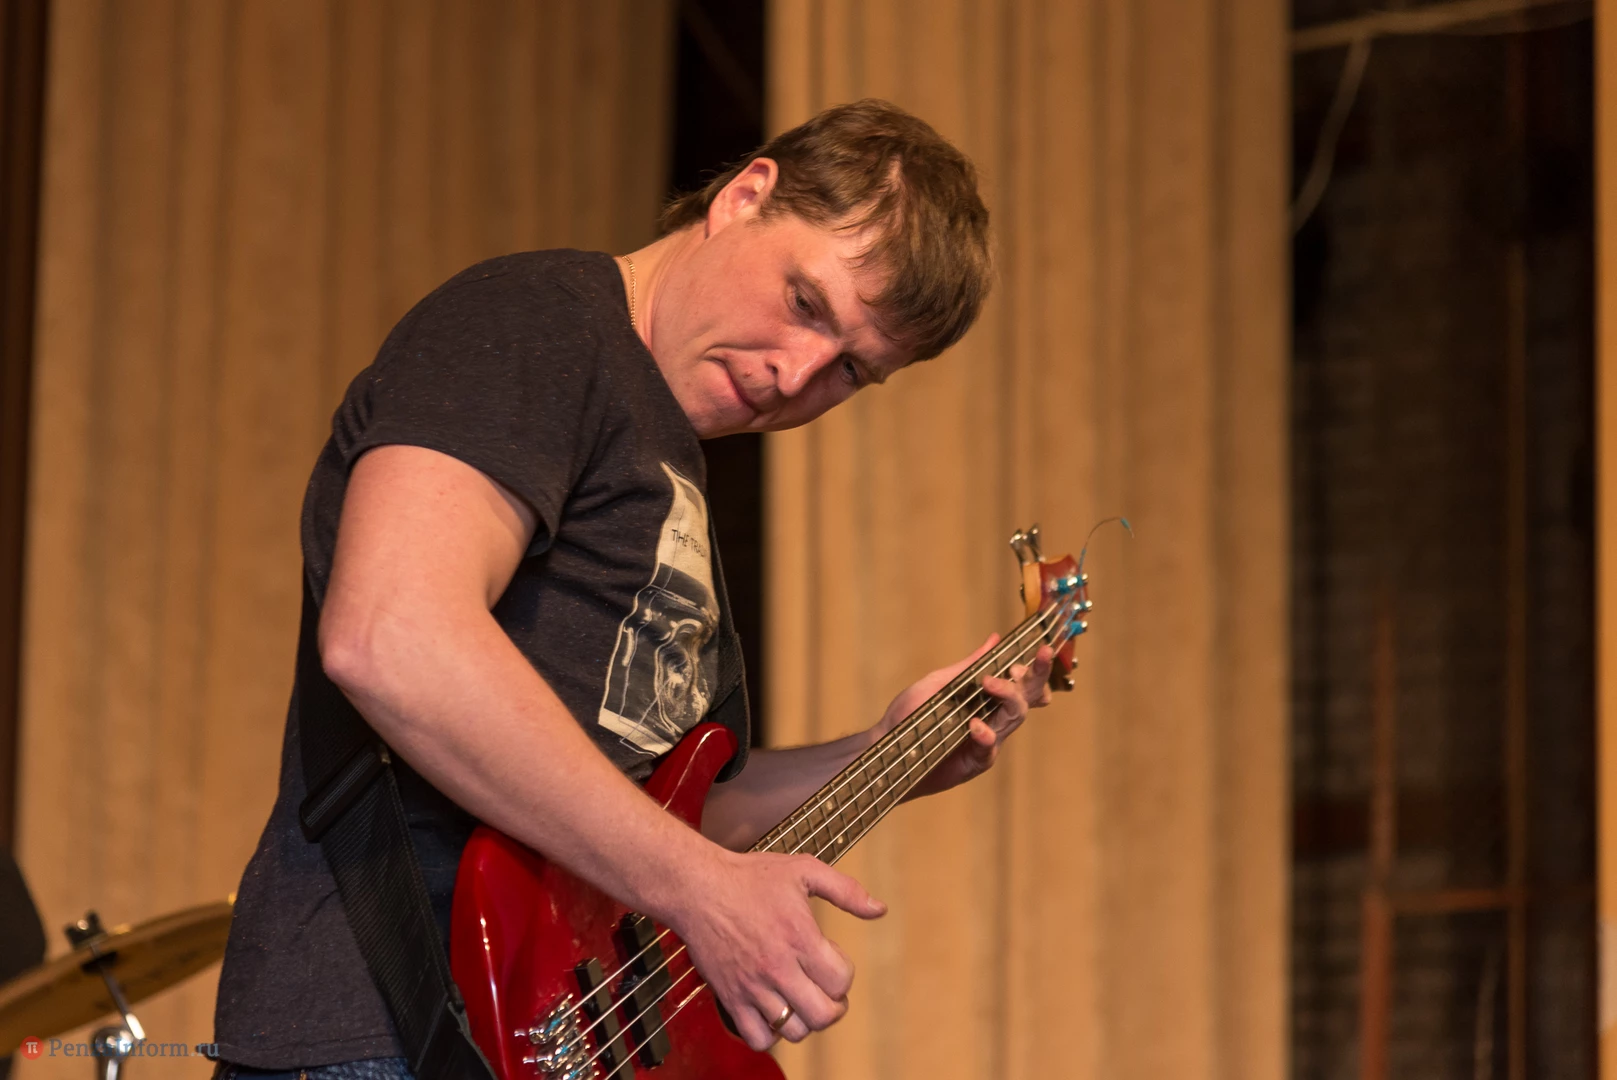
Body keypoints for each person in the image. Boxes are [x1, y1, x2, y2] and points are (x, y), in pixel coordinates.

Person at [211, 98, 1053, 1080]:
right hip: (379, 1031)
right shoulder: (538, 325)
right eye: (806, 303)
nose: (796, 376)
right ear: (745, 196)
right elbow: (391, 635)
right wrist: (700, 888)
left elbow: (663, 815)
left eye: (851, 373)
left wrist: (885, 753)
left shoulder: (668, 469)